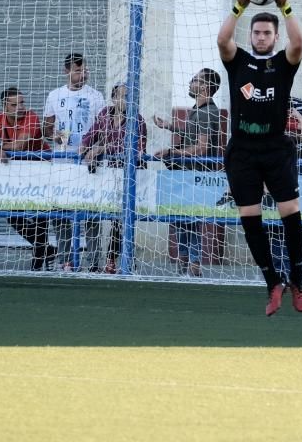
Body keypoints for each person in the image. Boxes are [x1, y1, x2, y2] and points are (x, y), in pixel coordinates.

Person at [217, 0, 302, 316]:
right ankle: (273, 283)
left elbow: (298, 44)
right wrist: (239, 5)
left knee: (290, 214)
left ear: (274, 36)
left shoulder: (283, 64)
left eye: (266, 33)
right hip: (241, 151)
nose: (260, 37)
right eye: (256, 32)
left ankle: (298, 278)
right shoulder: (237, 60)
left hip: (275, 149)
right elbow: (222, 39)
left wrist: (285, 6)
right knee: (250, 217)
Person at [153, 69, 222, 277]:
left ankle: (193, 263)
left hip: (196, 175)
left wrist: (172, 152)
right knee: (179, 218)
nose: (191, 82)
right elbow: (192, 133)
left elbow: (201, 147)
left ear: (205, 87)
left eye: (196, 80)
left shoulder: (207, 112)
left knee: (192, 220)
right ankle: (185, 262)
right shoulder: (197, 110)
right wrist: (170, 127)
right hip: (184, 174)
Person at [0, 87, 54, 270]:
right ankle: (47, 250)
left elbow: (20, 145)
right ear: (5, 107)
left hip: (41, 169)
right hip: (16, 174)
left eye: (22, 102)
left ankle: (37, 265)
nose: (20, 107)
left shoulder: (32, 116)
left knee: (40, 216)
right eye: (14, 104)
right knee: (12, 215)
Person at [42, 53, 105, 271]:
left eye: (85, 70)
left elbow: (103, 127)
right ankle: (66, 259)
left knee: (91, 213)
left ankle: (94, 262)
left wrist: (93, 147)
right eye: (78, 70)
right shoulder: (54, 95)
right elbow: (46, 127)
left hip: (87, 163)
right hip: (62, 162)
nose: (83, 74)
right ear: (66, 71)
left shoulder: (96, 96)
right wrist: (55, 135)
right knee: (61, 213)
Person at [80, 82, 147, 274]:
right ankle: (92, 261)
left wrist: (103, 148)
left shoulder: (137, 120)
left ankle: (113, 260)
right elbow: (91, 134)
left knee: (121, 220)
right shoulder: (104, 114)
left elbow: (136, 149)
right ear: (113, 98)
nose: (123, 100)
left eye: (128, 96)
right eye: (120, 96)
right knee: (93, 213)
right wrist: (84, 146)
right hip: (105, 174)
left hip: (128, 177)